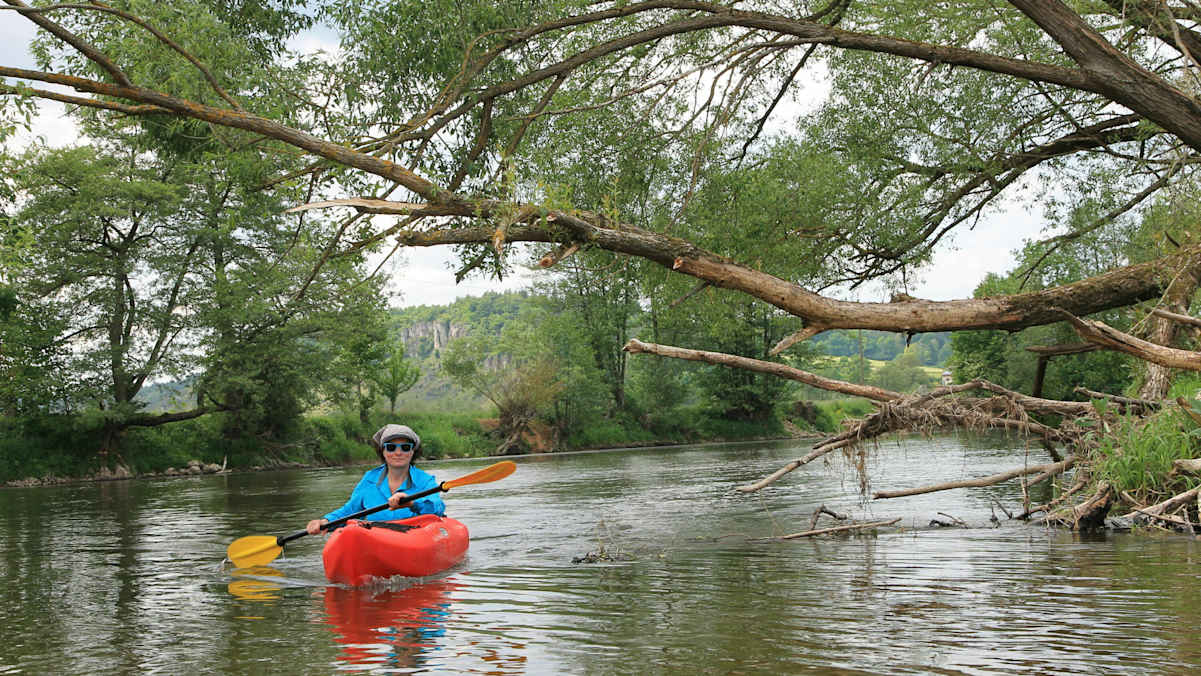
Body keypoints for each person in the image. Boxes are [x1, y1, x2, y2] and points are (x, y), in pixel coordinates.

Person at [306, 424, 445, 535]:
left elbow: (437, 508)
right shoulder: (369, 479)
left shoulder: (425, 481)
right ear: (383, 451)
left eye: (405, 447)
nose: (398, 452)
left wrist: (412, 503)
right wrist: (325, 521)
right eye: (391, 447)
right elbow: (350, 510)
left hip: (414, 536)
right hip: (378, 536)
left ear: (412, 451)